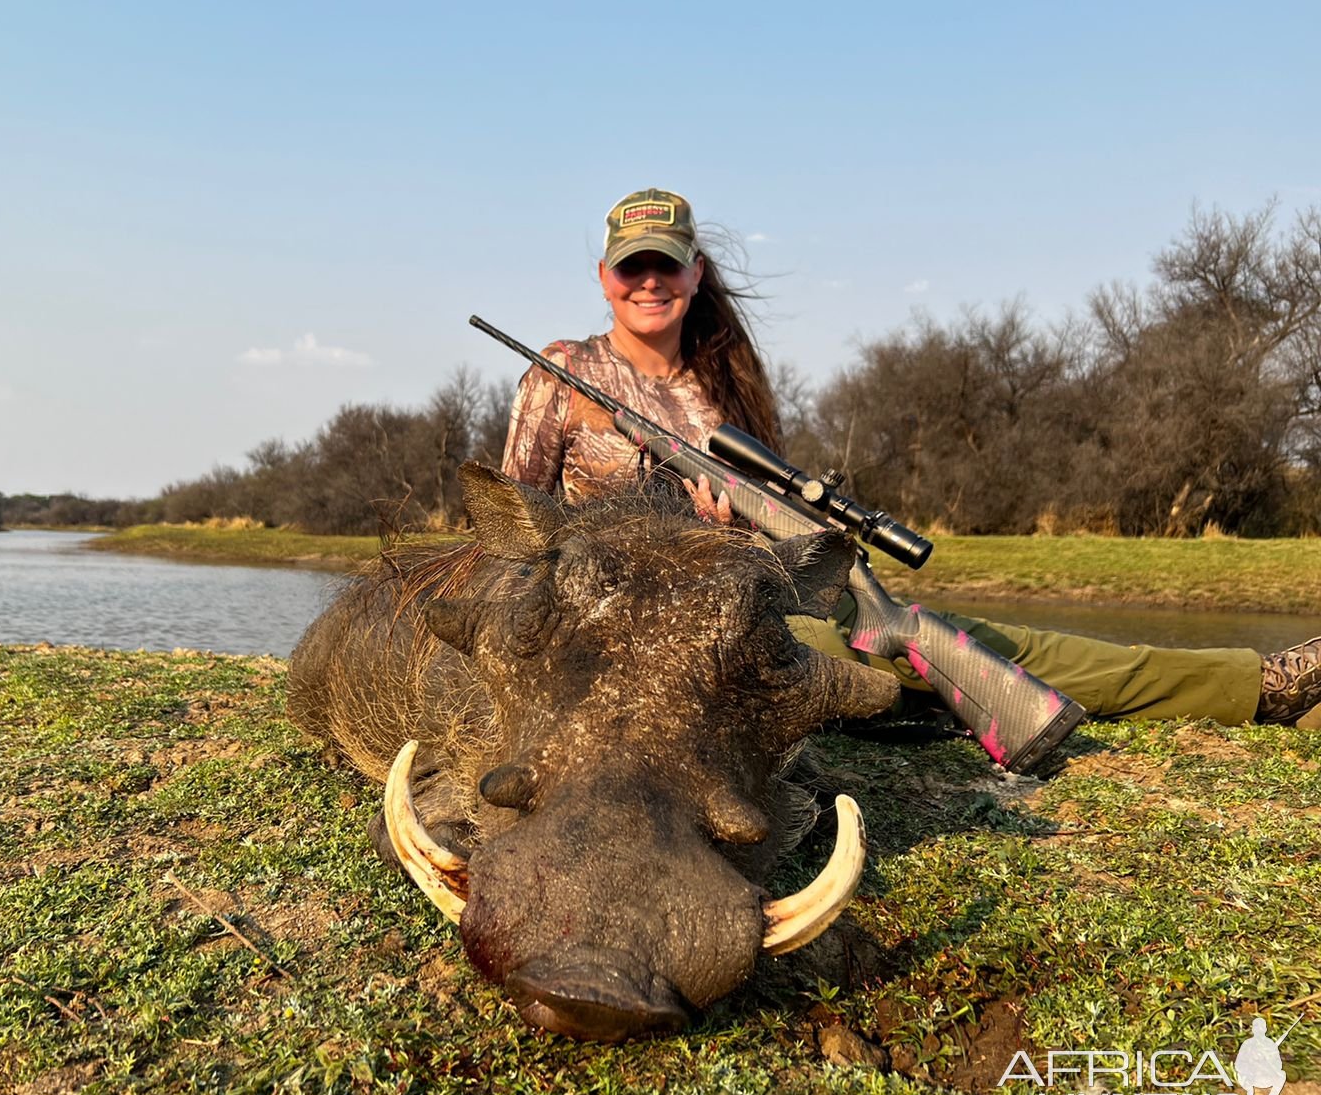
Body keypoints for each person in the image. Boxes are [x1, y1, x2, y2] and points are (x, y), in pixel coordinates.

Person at [501, 187, 1321, 744]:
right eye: (630, 267)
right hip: (636, 631)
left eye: (666, 264)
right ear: (604, 279)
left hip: (756, 601)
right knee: (868, 648)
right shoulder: (561, 371)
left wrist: (740, 539)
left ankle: (1255, 685)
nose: (650, 282)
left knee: (988, 640)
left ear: (695, 273)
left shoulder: (725, 387)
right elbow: (510, 539)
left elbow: (783, 525)